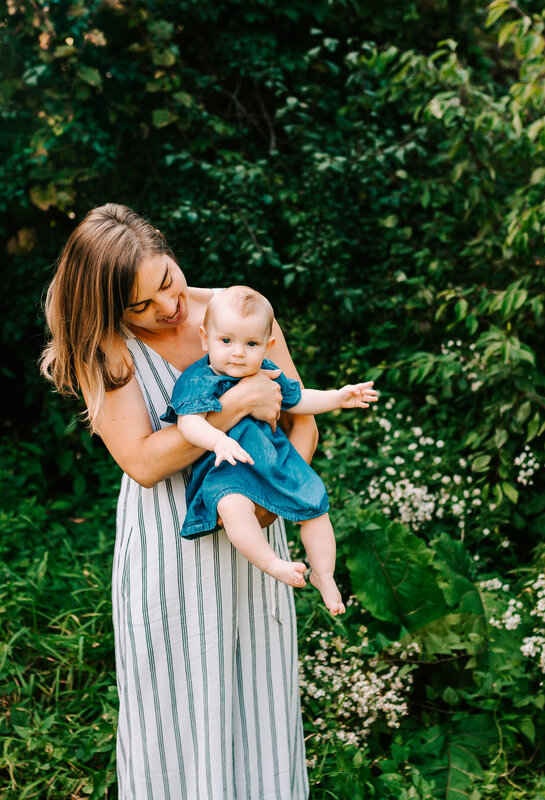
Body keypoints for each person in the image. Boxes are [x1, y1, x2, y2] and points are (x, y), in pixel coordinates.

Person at [40, 204, 312, 799]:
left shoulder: (242, 312)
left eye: (167, 281)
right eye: (140, 304)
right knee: (174, 724)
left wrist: (275, 504)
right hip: (169, 556)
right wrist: (234, 406)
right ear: (113, 307)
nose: (167, 307)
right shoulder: (108, 347)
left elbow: (300, 422)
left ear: (168, 252)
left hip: (256, 542)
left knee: (261, 713)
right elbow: (140, 461)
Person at [161, 286, 377, 616]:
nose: (238, 352)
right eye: (226, 341)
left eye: (251, 344)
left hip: (271, 458)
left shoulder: (268, 372)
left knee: (315, 507)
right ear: (205, 339)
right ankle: (273, 563)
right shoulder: (199, 379)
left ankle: (324, 574)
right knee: (233, 507)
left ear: (267, 346)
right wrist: (218, 441)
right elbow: (189, 424)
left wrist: (338, 397)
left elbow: (300, 400)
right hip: (227, 467)